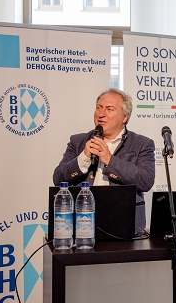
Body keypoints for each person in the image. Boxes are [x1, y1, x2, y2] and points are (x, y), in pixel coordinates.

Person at [52, 88, 156, 234]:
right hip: (83, 224)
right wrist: (83, 158)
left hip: (125, 225)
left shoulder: (142, 144)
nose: (101, 114)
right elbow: (58, 178)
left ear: (124, 117)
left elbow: (145, 181)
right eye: (99, 108)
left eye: (109, 109)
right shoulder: (78, 141)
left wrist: (110, 160)